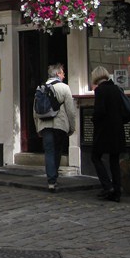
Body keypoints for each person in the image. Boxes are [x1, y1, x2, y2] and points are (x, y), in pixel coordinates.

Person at [33, 63, 77, 193]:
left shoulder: (41, 88)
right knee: (57, 151)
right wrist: (72, 127)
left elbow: (35, 111)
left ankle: (51, 181)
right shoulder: (64, 88)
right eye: (63, 73)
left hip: (44, 125)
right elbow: (70, 111)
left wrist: (37, 127)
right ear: (57, 74)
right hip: (60, 125)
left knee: (49, 152)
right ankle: (54, 177)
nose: (64, 75)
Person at [90, 66, 126, 202]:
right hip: (117, 129)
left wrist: (94, 119)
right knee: (114, 160)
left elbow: (100, 111)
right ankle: (117, 191)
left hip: (104, 131)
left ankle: (107, 186)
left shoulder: (100, 90)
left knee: (95, 157)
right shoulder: (116, 89)